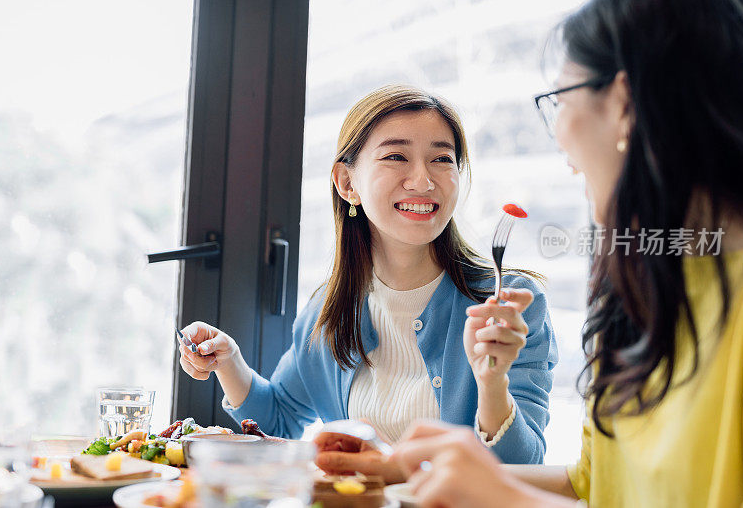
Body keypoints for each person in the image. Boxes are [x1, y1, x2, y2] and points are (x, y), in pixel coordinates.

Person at [391, 0, 743, 506]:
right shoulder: (643, 286)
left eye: (559, 98)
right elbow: (594, 486)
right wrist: (402, 468)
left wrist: (505, 496)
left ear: (624, 103)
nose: (559, 137)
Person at [176, 85, 558, 482]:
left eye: (442, 159)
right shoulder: (327, 311)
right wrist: (230, 362)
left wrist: (492, 384)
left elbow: (521, 470)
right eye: (396, 156)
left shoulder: (507, 306)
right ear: (347, 183)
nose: (423, 181)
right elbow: (279, 418)